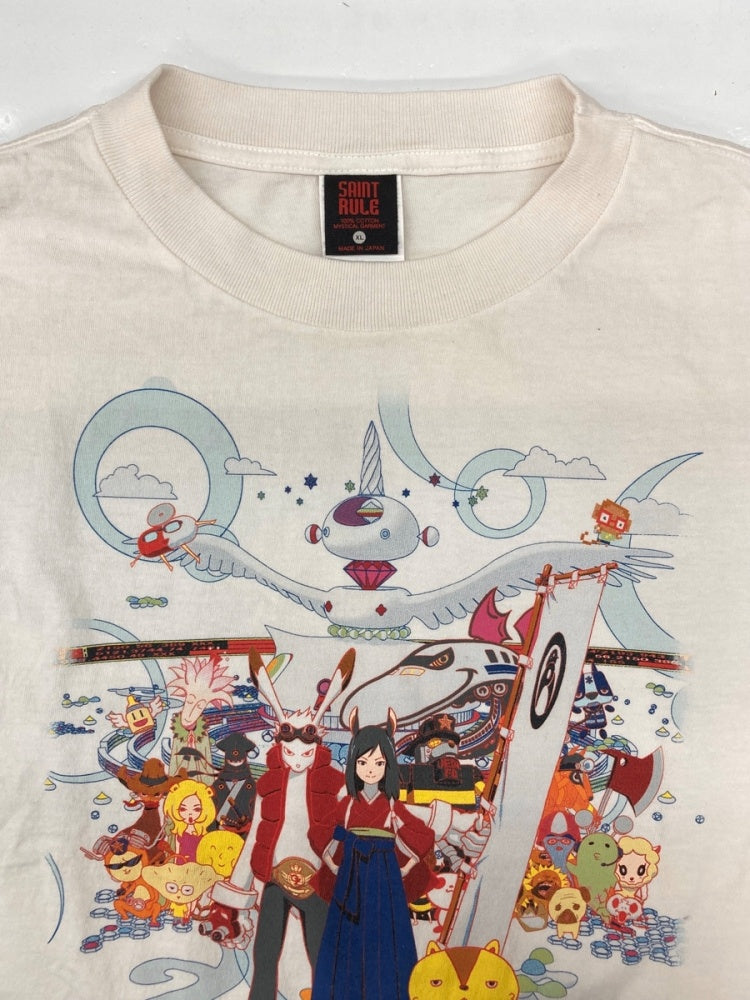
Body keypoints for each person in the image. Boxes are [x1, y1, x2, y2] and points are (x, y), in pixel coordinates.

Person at [311, 711, 434, 1000]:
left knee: (385, 934)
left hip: (384, 872)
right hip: (351, 871)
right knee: (347, 934)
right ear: (353, 764)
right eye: (363, 762)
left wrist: (407, 866)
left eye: (379, 763)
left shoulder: (391, 804)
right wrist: (331, 864)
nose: (370, 770)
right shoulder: (348, 803)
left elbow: (422, 834)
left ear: (388, 766)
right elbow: (321, 831)